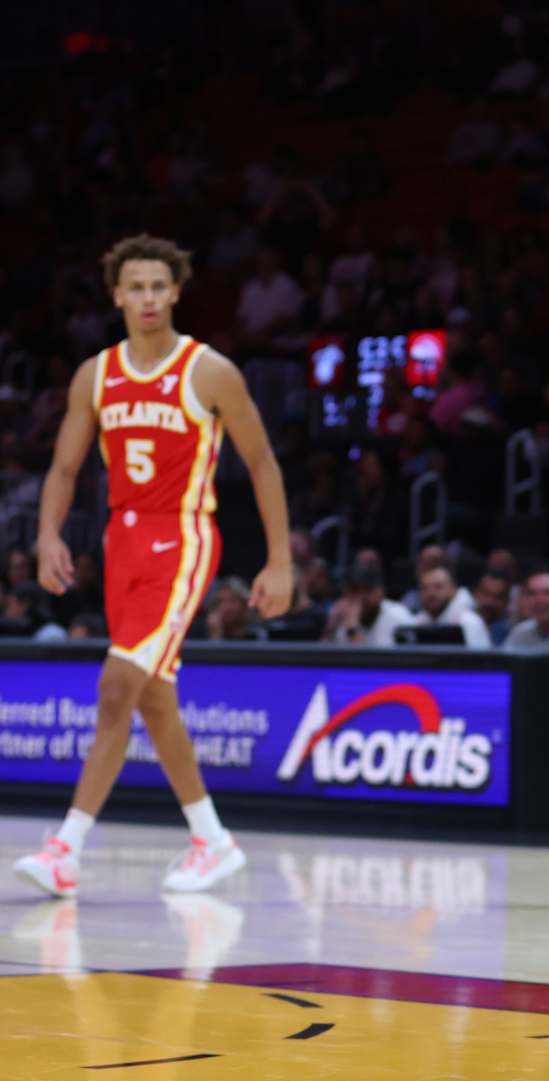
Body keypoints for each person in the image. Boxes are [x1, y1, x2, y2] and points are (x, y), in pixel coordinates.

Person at [15, 234, 292, 899]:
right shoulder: (97, 374)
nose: (146, 298)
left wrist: (281, 560)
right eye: (134, 287)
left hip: (183, 540)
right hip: (122, 542)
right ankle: (213, 841)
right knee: (154, 697)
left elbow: (261, 463)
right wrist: (48, 535)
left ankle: (65, 848)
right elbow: (62, 467)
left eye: (157, 287)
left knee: (116, 686)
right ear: (116, 295)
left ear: (176, 292)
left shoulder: (210, 370)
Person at [326, 558, 414, 646]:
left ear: (380, 592)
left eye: (367, 590)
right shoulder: (341, 616)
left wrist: (352, 631)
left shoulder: (398, 616)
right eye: (354, 591)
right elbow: (322, 657)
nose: (360, 598)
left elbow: (375, 659)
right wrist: (330, 628)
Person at [413, 564, 491, 646]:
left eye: (438, 587)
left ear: (453, 589)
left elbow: (481, 658)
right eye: (424, 588)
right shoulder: (417, 622)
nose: (430, 593)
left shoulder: (470, 622)